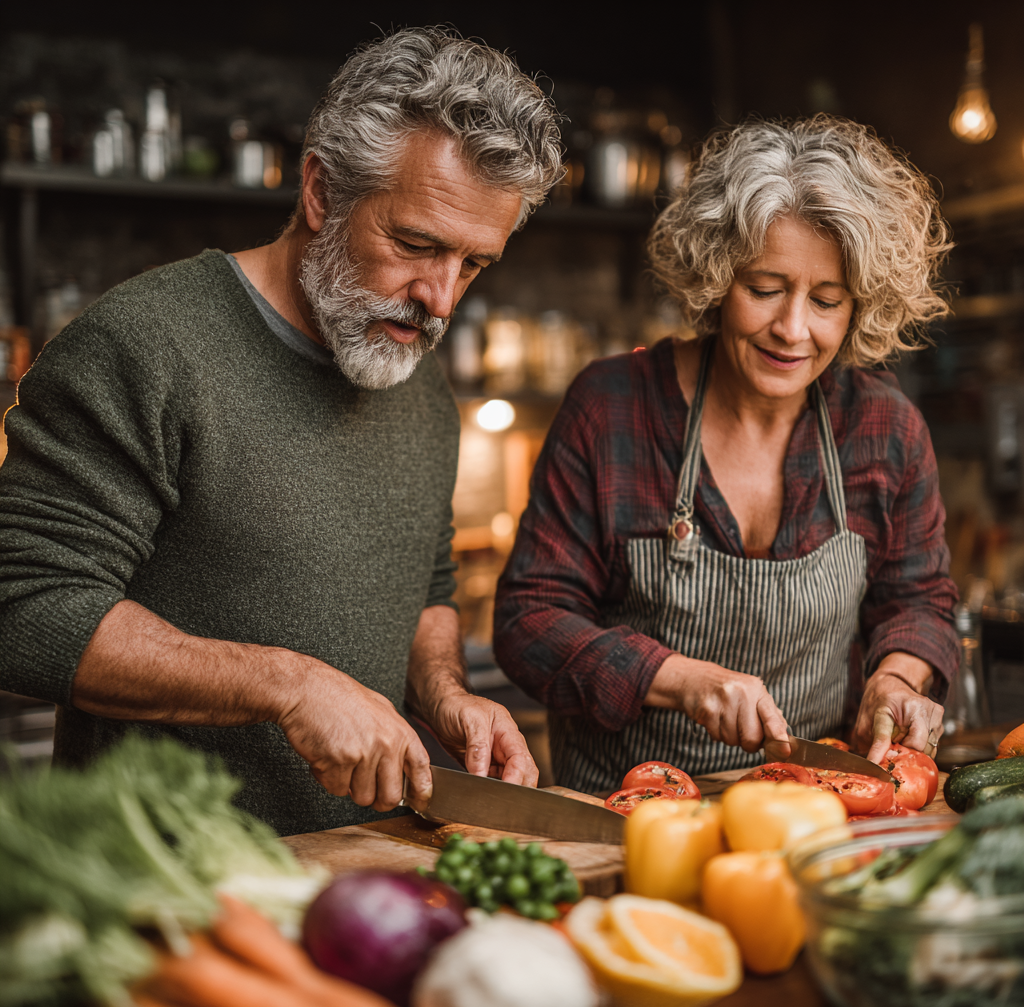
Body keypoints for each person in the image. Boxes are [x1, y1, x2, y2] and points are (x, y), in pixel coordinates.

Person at [0, 28, 564, 835]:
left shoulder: (417, 377)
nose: (439, 299)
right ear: (321, 192)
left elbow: (427, 583)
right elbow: (25, 605)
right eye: (414, 245)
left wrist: (445, 695)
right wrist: (288, 684)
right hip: (165, 886)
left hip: (362, 874)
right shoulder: (145, 345)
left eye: (473, 264)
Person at [493, 116, 958, 794]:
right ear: (715, 277)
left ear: (860, 307)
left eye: (826, 301)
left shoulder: (885, 428)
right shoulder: (612, 408)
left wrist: (897, 678)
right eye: (765, 288)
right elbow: (528, 619)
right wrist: (679, 680)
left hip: (810, 808)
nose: (792, 329)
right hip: (630, 816)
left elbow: (918, 598)